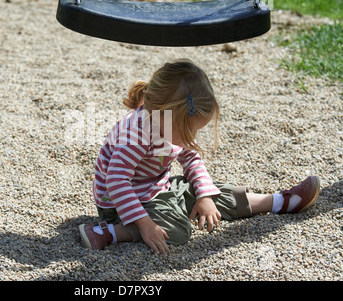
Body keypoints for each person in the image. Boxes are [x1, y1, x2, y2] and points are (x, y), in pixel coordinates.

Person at [79, 59, 320, 256]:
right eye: (190, 130)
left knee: (212, 194)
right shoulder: (138, 133)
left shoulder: (167, 123)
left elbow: (191, 159)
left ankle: (279, 201)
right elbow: (116, 182)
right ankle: (110, 231)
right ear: (169, 116)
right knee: (177, 231)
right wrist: (145, 225)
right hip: (121, 202)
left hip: (155, 188)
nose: (191, 137)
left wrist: (204, 196)